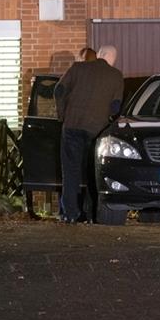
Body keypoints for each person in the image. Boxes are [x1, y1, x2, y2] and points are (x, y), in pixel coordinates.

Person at [55, 44, 124, 223]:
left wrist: (63, 114)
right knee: (94, 173)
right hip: (96, 131)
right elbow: (115, 107)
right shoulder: (116, 76)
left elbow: (59, 90)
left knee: (70, 172)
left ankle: (69, 214)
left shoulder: (78, 68)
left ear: (99, 54)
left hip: (72, 126)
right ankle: (92, 214)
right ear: (112, 58)